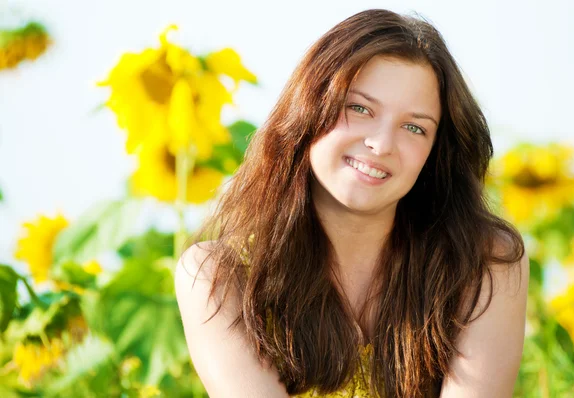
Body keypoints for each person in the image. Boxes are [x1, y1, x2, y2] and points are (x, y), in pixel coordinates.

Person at [175, 8, 529, 398]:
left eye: (414, 127)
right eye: (359, 108)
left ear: (434, 152)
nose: (381, 144)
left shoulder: (485, 261)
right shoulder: (218, 278)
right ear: (309, 109)